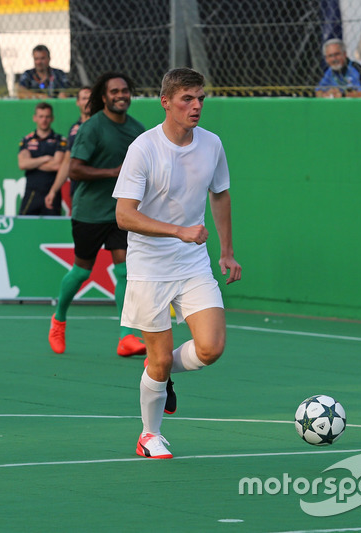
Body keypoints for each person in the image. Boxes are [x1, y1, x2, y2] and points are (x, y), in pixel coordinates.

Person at [114, 67, 242, 459]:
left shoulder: (212, 144)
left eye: (201, 98)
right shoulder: (143, 148)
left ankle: (165, 373)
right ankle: (149, 435)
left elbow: (219, 194)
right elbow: (124, 215)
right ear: (166, 102)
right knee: (159, 357)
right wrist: (177, 230)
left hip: (193, 262)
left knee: (211, 347)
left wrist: (226, 250)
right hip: (149, 267)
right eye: (187, 98)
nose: (197, 105)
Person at [48, 72, 147, 357]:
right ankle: (58, 319)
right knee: (81, 271)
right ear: (103, 97)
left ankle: (126, 336)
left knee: (124, 270)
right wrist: (114, 173)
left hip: (121, 213)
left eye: (125, 90)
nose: (121, 95)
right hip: (89, 212)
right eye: (114, 91)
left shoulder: (138, 130)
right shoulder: (91, 128)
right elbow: (75, 169)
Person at [45, 86, 91, 214]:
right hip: (78, 190)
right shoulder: (74, 129)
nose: (88, 101)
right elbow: (67, 162)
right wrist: (53, 190)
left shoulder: (103, 124)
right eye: (84, 98)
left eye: (90, 98)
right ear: (78, 102)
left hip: (99, 190)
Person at [18, 102, 67, 216]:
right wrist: (45, 158)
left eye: (47, 117)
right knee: (24, 226)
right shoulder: (27, 140)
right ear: (35, 118)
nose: (44, 120)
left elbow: (57, 165)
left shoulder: (60, 140)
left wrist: (33, 162)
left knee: (52, 228)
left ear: (52, 118)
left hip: (51, 192)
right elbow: (22, 164)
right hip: (31, 193)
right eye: (41, 116)